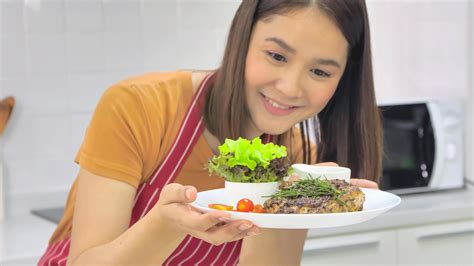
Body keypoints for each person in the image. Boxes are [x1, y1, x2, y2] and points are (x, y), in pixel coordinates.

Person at [38, 0, 382, 265]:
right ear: (241, 39)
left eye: (320, 72)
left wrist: (285, 202)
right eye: (277, 55)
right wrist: (168, 223)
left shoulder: (299, 159)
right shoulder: (140, 108)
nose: (290, 88)